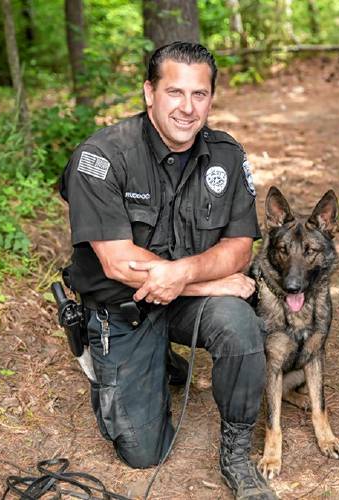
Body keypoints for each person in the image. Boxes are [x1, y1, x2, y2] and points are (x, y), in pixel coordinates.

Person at [60, 41, 277, 500]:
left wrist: (185, 278)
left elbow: (239, 249)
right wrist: (209, 281)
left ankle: (236, 455)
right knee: (143, 452)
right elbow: (118, 262)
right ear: (148, 93)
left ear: (211, 99)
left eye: (199, 94)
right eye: (174, 92)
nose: (187, 107)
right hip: (123, 307)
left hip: (183, 302)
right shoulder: (102, 156)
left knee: (239, 324)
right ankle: (136, 357)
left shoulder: (225, 155)